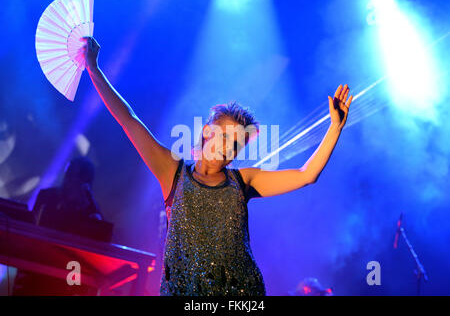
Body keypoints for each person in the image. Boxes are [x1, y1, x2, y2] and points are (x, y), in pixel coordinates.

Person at [81, 37, 353, 296]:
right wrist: (93, 69)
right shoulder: (172, 173)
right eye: (224, 137)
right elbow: (128, 118)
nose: (228, 148)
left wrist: (334, 129)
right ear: (209, 131)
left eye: (236, 144)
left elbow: (307, 175)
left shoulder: (244, 181)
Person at [12, 156, 104, 295]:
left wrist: (86, 207)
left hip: (68, 276)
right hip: (36, 270)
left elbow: (101, 235)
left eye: (75, 178)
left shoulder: (89, 209)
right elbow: (32, 229)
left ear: (85, 184)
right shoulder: (47, 197)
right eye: (68, 175)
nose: (69, 181)